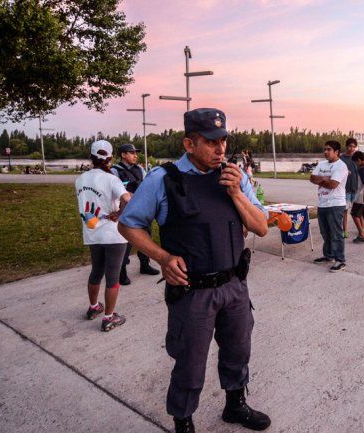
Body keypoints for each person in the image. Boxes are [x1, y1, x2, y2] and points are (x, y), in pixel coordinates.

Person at [118, 108, 271, 433]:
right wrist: (162, 257)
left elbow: (261, 227)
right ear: (189, 143)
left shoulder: (235, 177)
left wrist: (236, 193)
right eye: (211, 142)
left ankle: (235, 405)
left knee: (238, 350)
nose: (221, 149)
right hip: (192, 292)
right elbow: (129, 225)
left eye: (224, 141)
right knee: (190, 362)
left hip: (233, 286)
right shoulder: (164, 179)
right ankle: (183, 420)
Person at [74, 140, 131, 332]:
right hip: (113, 234)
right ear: (110, 158)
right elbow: (127, 199)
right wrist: (119, 214)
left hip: (92, 232)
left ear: (91, 157)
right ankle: (108, 318)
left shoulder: (80, 179)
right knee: (113, 277)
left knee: (96, 271)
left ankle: (93, 307)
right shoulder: (111, 179)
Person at [110, 143, 160, 285]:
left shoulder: (140, 169)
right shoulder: (114, 171)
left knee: (146, 237)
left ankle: (145, 265)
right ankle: (122, 271)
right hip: (125, 210)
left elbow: (146, 186)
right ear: (123, 155)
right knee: (126, 241)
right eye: (131, 153)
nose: (135, 155)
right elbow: (114, 191)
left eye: (135, 153)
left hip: (143, 209)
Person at [310, 140, 349, 272]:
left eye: (328, 149)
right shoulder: (321, 164)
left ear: (336, 152)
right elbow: (311, 178)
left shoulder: (341, 166)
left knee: (336, 233)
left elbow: (333, 185)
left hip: (335, 204)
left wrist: (321, 179)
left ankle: (340, 260)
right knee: (325, 232)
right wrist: (326, 179)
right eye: (324, 149)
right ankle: (329, 255)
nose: (325, 152)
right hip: (322, 203)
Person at [339, 138, 359, 239]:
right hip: (345, 189)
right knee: (345, 211)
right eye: (350, 146)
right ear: (346, 146)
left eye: (354, 147)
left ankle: (361, 229)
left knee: (357, 211)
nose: (352, 148)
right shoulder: (341, 158)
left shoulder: (357, 158)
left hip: (355, 188)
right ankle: (345, 230)